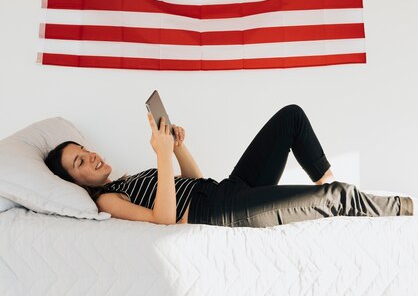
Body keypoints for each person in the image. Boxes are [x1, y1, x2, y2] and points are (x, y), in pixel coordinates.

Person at [44, 104, 414, 227]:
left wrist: (175, 148)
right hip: (217, 210)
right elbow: (165, 220)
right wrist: (159, 155)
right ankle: (404, 209)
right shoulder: (105, 201)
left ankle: (325, 185)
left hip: (223, 188)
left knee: (291, 118)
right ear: (76, 182)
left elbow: (195, 182)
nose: (91, 156)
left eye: (85, 150)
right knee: (335, 198)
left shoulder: (126, 178)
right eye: (80, 161)